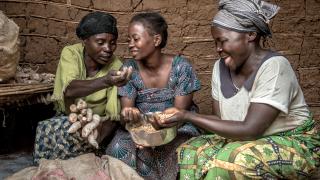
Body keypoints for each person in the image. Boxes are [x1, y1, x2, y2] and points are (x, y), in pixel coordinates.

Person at [156, 0, 320, 179]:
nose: (218, 49)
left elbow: (251, 130)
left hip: (294, 141)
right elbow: (220, 121)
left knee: (234, 159)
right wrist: (176, 118)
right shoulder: (220, 68)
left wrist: (187, 115)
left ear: (250, 34)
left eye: (223, 41)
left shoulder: (274, 66)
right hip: (247, 139)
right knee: (191, 151)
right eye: (215, 42)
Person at [105, 12, 201, 180]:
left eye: (136, 39)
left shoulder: (181, 68)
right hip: (139, 129)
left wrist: (154, 136)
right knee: (118, 147)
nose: (130, 45)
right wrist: (129, 115)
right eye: (129, 40)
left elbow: (179, 114)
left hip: (176, 127)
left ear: (156, 40)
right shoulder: (128, 69)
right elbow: (126, 111)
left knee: (181, 148)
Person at [33, 12, 132, 164]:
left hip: (98, 123)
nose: (108, 48)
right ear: (85, 40)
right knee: (50, 132)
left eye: (112, 42)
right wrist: (106, 80)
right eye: (100, 42)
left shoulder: (116, 65)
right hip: (68, 117)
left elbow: (113, 116)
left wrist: (97, 138)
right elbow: (70, 89)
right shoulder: (71, 54)